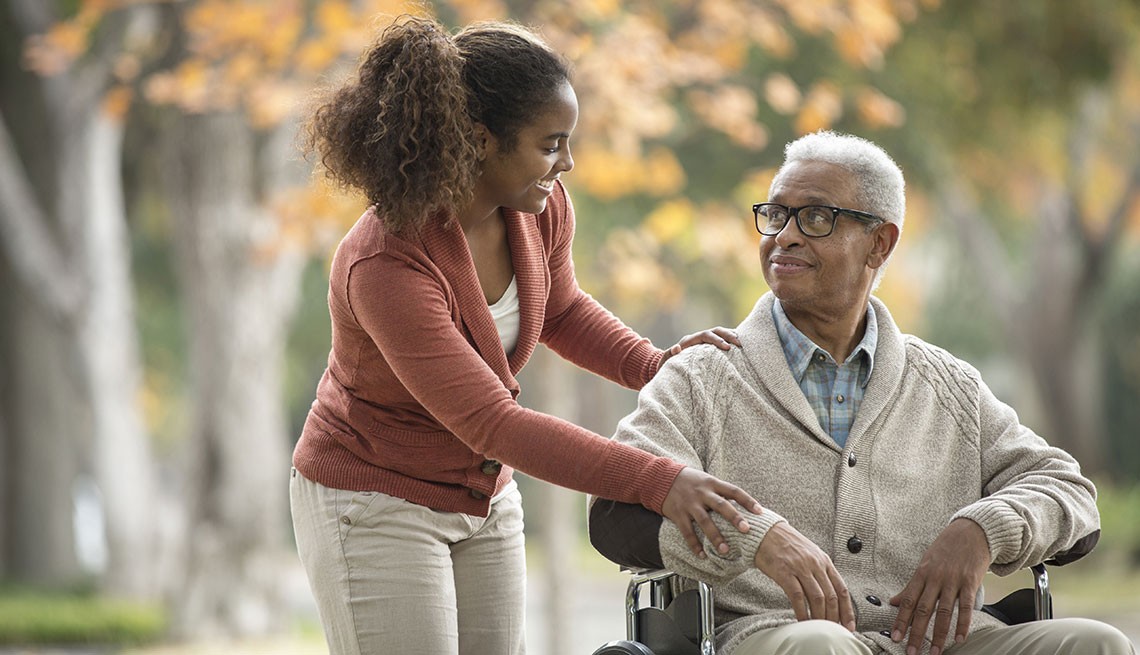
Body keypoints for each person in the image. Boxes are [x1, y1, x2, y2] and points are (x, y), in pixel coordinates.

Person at [288, 15, 764, 655]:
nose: (566, 162)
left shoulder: (539, 208)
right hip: (373, 498)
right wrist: (657, 481)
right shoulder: (385, 263)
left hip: (483, 495)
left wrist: (655, 366)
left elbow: (561, 309)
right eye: (550, 144)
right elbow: (493, 423)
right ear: (481, 141)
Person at [589, 131, 1136, 655]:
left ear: (880, 242)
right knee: (820, 645)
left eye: (817, 218)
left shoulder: (948, 386)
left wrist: (982, 530)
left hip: (937, 640)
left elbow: (1068, 491)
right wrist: (757, 538)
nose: (785, 236)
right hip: (772, 636)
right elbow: (615, 510)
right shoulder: (700, 377)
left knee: (1098, 643)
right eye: (776, 215)